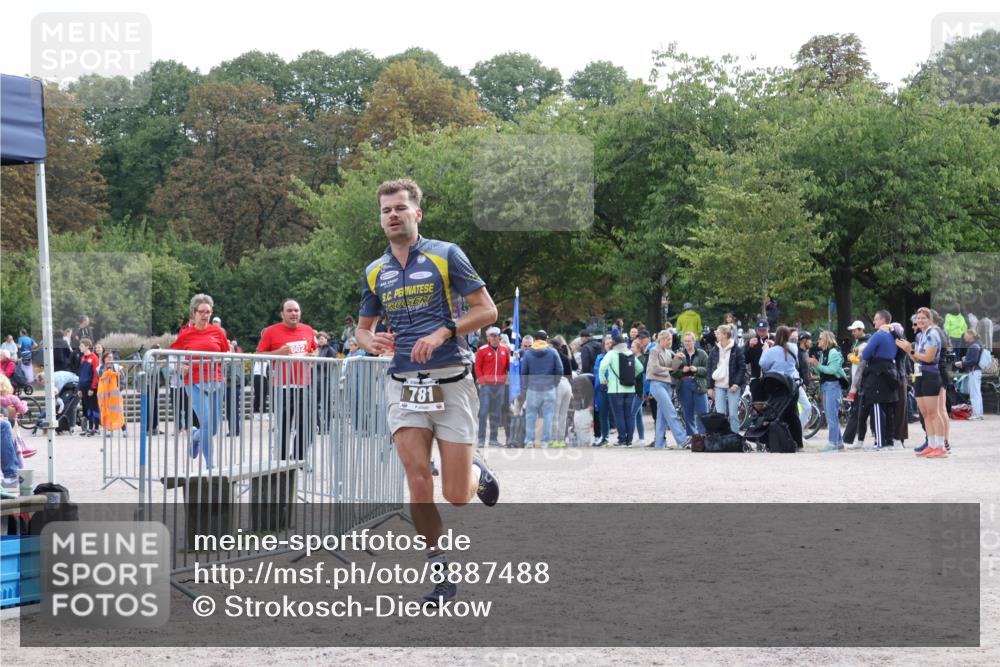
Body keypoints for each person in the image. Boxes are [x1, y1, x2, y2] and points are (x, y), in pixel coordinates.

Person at [354, 178, 499, 606]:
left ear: (417, 213)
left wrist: (442, 333)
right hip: (402, 386)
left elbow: (486, 310)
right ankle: (440, 574)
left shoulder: (446, 254)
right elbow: (362, 331)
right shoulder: (374, 271)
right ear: (381, 218)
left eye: (400, 208)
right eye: (386, 210)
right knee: (418, 483)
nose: (393, 215)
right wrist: (370, 342)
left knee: (455, 495)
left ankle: (477, 473)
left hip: (451, 380)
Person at [171, 294, 230, 468]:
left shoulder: (217, 332)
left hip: (216, 381)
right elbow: (173, 355)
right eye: (202, 312)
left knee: (211, 429)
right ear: (194, 313)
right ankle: (211, 465)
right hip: (194, 381)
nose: (205, 315)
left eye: (209, 312)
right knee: (205, 421)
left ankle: (195, 436)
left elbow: (226, 353)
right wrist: (180, 366)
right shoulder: (186, 334)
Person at [256, 299, 318, 461]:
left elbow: (314, 350)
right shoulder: (271, 331)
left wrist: (314, 356)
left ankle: (299, 457)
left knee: (308, 425)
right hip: (281, 386)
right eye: (289, 311)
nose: (293, 313)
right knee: (283, 427)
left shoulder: (308, 330)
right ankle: (283, 463)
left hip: (305, 385)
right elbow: (258, 355)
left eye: (296, 310)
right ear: (282, 314)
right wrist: (278, 353)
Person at [897, 308, 947, 458]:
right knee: (925, 413)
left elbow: (929, 358)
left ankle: (941, 446)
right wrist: (908, 351)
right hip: (919, 375)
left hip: (931, 375)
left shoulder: (932, 334)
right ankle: (931, 444)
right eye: (918, 318)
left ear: (929, 319)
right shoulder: (920, 336)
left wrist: (909, 350)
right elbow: (917, 358)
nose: (920, 321)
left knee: (934, 412)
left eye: (923, 318)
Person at [860, 310, 900, 451]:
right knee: (889, 408)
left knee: (877, 406)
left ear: (883, 320)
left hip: (878, 372)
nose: (874, 322)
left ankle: (879, 441)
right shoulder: (895, 335)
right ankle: (889, 440)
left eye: (876, 319)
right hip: (891, 370)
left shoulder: (879, 335)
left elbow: (865, 354)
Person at [520, 330, 563, 448]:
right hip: (549, 388)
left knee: (530, 415)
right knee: (548, 415)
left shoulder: (528, 353)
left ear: (535, 339)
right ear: (546, 339)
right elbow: (560, 370)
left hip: (533, 389)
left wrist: (526, 386)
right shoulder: (553, 352)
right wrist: (554, 383)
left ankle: (529, 440)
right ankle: (545, 442)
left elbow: (524, 372)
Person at [646, 330, 688, 448]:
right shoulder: (654, 351)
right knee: (671, 412)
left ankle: (659, 444)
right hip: (656, 384)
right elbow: (654, 368)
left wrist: (677, 359)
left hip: (667, 384)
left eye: (670, 339)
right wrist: (668, 369)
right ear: (662, 339)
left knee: (662, 415)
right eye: (668, 339)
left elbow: (673, 368)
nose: (670, 342)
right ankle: (682, 440)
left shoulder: (669, 352)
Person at [600, 334, 644, 447]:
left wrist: (603, 379)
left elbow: (602, 366)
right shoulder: (630, 353)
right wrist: (630, 377)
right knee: (629, 414)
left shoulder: (611, 354)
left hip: (615, 389)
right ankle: (629, 440)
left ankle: (622, 439)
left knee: (619, 414)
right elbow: (640, 368)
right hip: (630, 388)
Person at [707, 324, 746, 435]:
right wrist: (710, 387)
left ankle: (735, 437)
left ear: (725, 335)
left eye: (718, 333)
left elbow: (742, 368)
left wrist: (736, 384)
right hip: (718, 386)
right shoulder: (715, 350)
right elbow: (710, 368)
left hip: (732, 386)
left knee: (733, 414)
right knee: (720, 414)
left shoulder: (736, 349)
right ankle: (722, 437)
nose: (716, 335)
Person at [812, 331, 848, 451]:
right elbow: (822, 371)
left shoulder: (833, 352)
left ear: (827, 340)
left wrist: (818, 365)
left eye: (820, 338)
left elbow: (832, 370)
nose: (818, 341)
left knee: (831, 415)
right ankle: (839, 443)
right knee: (830, 415)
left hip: (833, 385)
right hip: (827, 385)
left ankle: (832, 443)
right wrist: (815, 365)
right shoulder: (824, 353)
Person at [474, 326, 510, 447]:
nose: (495, 338)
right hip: (486, 386)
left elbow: (508, 367)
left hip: (500, 385)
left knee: (496, 412)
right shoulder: (482, 350)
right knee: (484, 412)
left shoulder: (505, 350)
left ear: (500, 337)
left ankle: (493, 439)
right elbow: (477, 367)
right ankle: (481, 439)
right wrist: (482, 381)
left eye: (497, 336)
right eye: (492, 336)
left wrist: (515, 362)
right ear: (488, 338)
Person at [672, 332, 709, 437]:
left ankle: (703, 436)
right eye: (685, 341)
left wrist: (697, 369)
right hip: (684, 385)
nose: (687, 343)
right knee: (688, 413)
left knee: (703, 412)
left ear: (694, 341)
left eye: (689, 341)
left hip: (698, 384)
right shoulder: (679, 354)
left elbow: (708, 370)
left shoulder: (702, 353)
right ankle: (692, 437)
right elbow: (673, 372)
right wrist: (682, 370)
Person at [955, 329, 984, 421]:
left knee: (974, 394)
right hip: (976, 371)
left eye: (966, 335)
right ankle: (979, 413)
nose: (964, 337)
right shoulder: (977, 343)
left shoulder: (974, 345)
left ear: (971, 335)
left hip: (973, 371)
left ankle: (976, 414)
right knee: (977, 393)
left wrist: (962, 363)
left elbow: (974, 360)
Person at [592, 335, 614, 446]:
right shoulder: (600, 357)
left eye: (611, 343)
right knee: (603, 414)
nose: (609, 345)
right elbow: (597, 372)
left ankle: (624, 438)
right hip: (602, 388)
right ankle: (605, 437)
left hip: (615, 388)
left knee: (618, 414)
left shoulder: (617, 357)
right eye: (607, 343)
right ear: (604, 346)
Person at [97, 351, 126, 433]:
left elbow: (123, 379)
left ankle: (124, 429)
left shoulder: (117, 367)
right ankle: (109, 430)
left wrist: (118, 389)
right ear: (104, 359)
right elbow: (99, 380)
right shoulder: (99, 368)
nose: (110, 359)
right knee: (106, 412)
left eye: (111, 357)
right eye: (108, 357)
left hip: (115, 395)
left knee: (119, 411)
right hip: (105, 395)